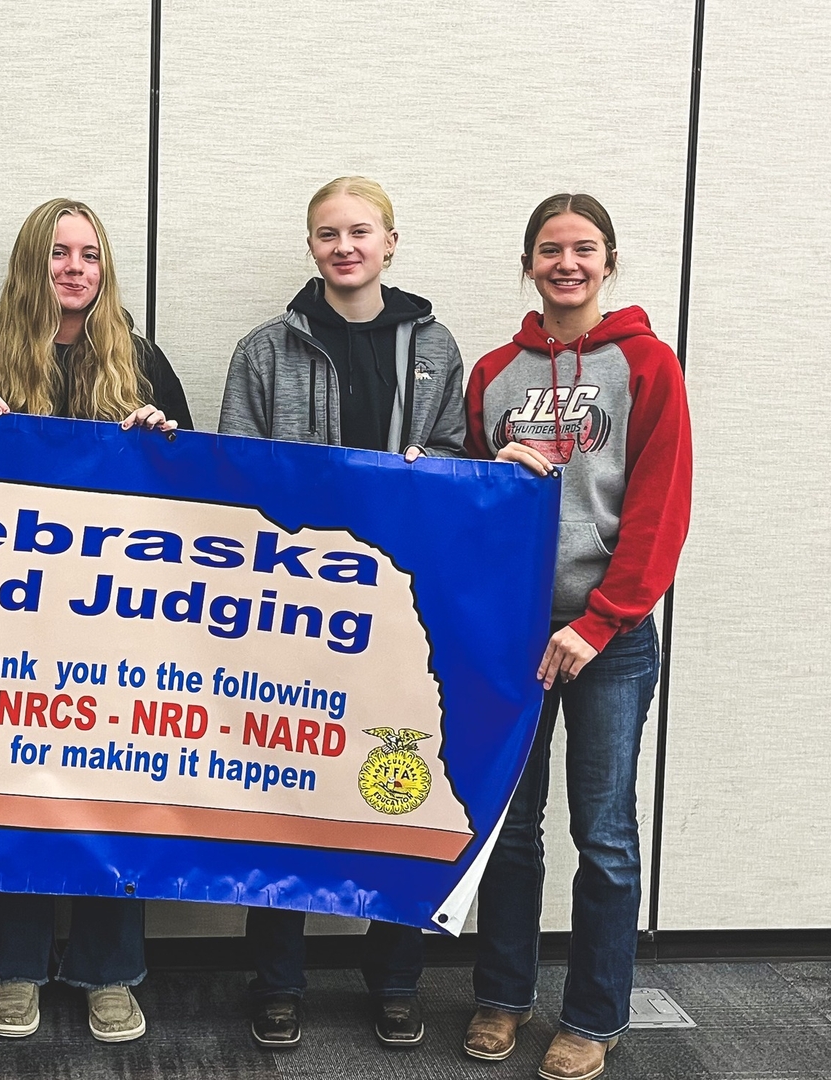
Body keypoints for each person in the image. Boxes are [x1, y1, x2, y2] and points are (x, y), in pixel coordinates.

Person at [218, 175, 466, 1049]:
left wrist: (423, 464)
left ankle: (395, 977)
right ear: (312, 246)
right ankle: (277, 978)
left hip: (401, 606)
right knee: (284, 783)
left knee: (402, 783)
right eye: (328, 233)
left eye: (360, 231)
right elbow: (235, 474)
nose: (344, 246)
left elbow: (459, 461)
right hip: (294, 610)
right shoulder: (266, 349)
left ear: (391, 242)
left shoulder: (435, 346)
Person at [0, 197, 192, 1044]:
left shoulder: (144, 359)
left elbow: (197, 503)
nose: (76, 268)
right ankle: (13, 968)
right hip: (14, 637)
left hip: (118, 636)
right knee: (13, 797)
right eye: (59, 254)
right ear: (32, 264)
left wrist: (161, 437)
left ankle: (108, 972)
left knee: (110, 797)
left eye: (89, 254)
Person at [461, 194, 692, 1080]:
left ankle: (593, 1017)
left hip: (611, 639)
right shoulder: (493, 374)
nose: (567, 263)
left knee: (605, 835)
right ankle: (502, 997)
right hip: (516, 638)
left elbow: (659, 515)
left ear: (609, 261)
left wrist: (599, 624)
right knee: (510, 831)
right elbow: (472, 508)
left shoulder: (648, 368)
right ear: (527, 264)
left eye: (583, 249)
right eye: (550, 250)